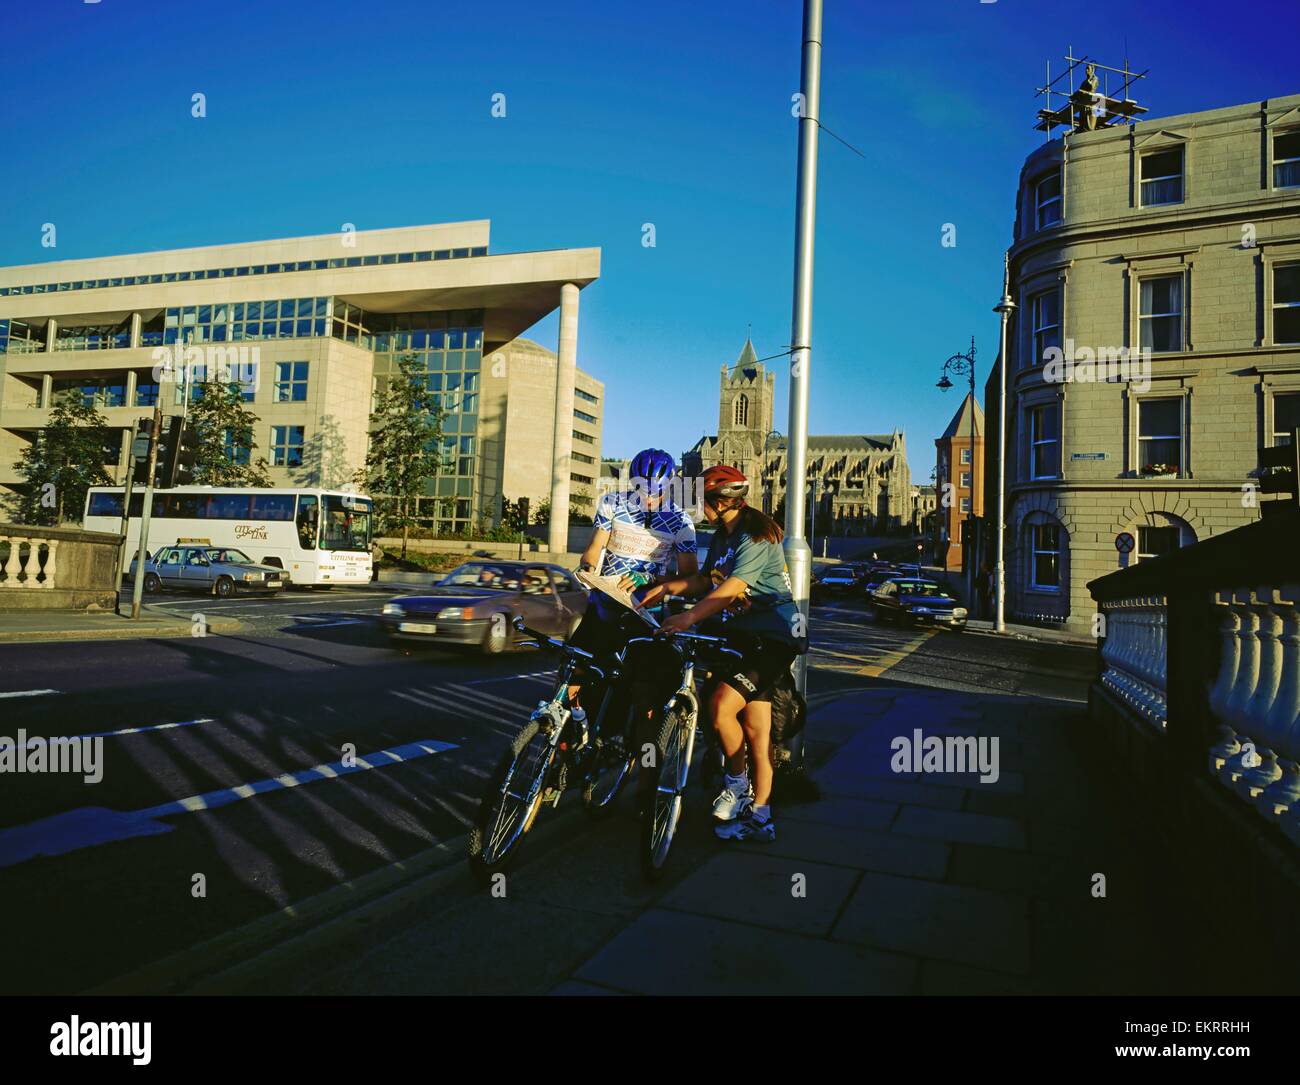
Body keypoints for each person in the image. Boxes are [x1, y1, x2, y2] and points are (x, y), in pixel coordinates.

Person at [641, 464, 805, 843]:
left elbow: (731, 589)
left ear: (720, 500)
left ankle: (737, 781)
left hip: (774, 639)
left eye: (703, 501)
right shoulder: (722, 536)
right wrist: (667, 588)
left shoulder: (757, 536)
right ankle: (761, 816)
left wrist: (689, 617)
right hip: (742, 638)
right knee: (755, 732)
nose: (700, 508)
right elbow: (707, 580)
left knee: (720, 707)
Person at [565, 448, 698, 735]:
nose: (647, 498)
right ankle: (567, 735)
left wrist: (649, 576)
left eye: (655, 493)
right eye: (641, 490)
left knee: (635, 687)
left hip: (643, 612)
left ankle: (624, 747)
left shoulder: (681, 522)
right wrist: (587, 569)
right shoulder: (612, 503)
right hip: (604, 603)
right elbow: (593, 550)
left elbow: (689, 577)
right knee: (573, 671)